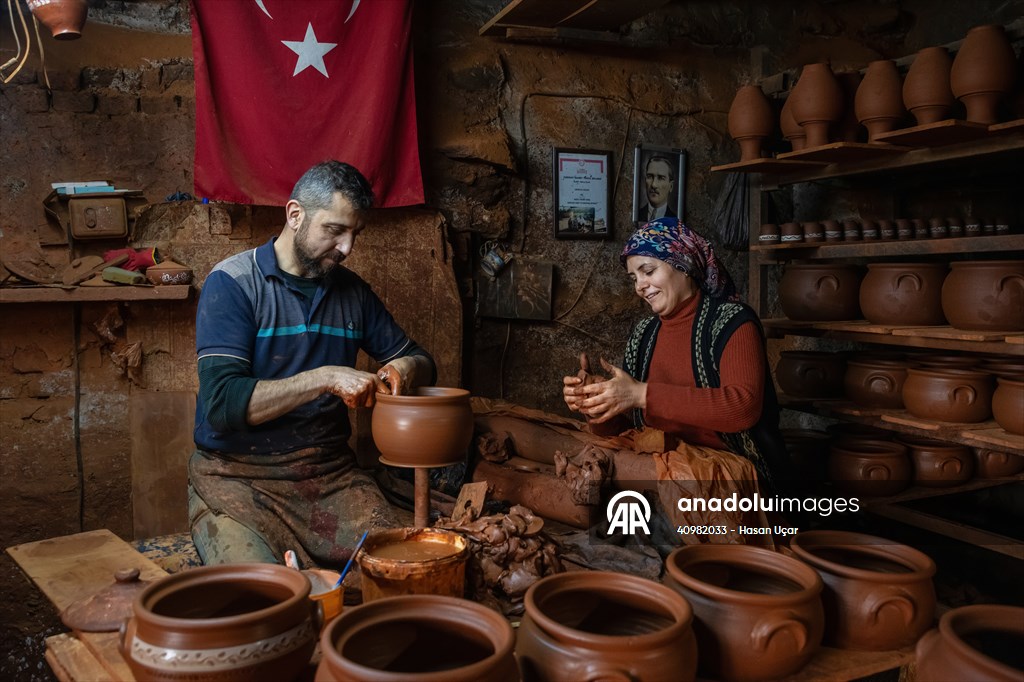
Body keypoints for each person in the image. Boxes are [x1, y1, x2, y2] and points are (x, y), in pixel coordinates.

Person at [189, 160, 436, 568]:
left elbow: (423, 362)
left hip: (329, 478)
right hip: (237, 477)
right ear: (295, 214)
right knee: (263, 594)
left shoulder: (353, 293)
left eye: (355, 234)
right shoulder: (233, 284)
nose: (346, 248)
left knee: (402, 567)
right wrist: (324, 378)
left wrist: (409, 367)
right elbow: (221, 404)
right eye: (335, 230)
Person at [562, 218, 791, 495]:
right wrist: (599, 404)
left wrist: (642, 394)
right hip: (665, 475)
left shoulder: (733, 322)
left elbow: (743, 407)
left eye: (648, 271)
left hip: (733, 481)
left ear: (683, 265)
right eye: (634, 278)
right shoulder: (644, 334)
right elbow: (630, 428)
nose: (639, 287)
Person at [637, 155, 677, 222]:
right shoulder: (637, 214)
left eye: (661, 178)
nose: (654, 185)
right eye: (650, 176)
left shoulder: (675, 220)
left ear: (671, 186)